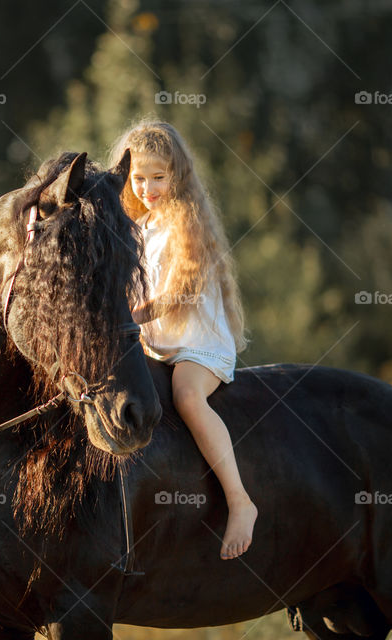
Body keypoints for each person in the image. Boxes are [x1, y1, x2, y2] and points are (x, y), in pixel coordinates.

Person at [109, 120, 258, 560]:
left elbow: (181, 290)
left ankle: (239, 500)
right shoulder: (140, 226)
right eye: (139, 178)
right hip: (155, 344)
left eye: (159, 177)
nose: (148, 188)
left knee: (188, 397)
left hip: (196, 343)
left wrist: (135, 316)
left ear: (177, 175)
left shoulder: (185, 222)